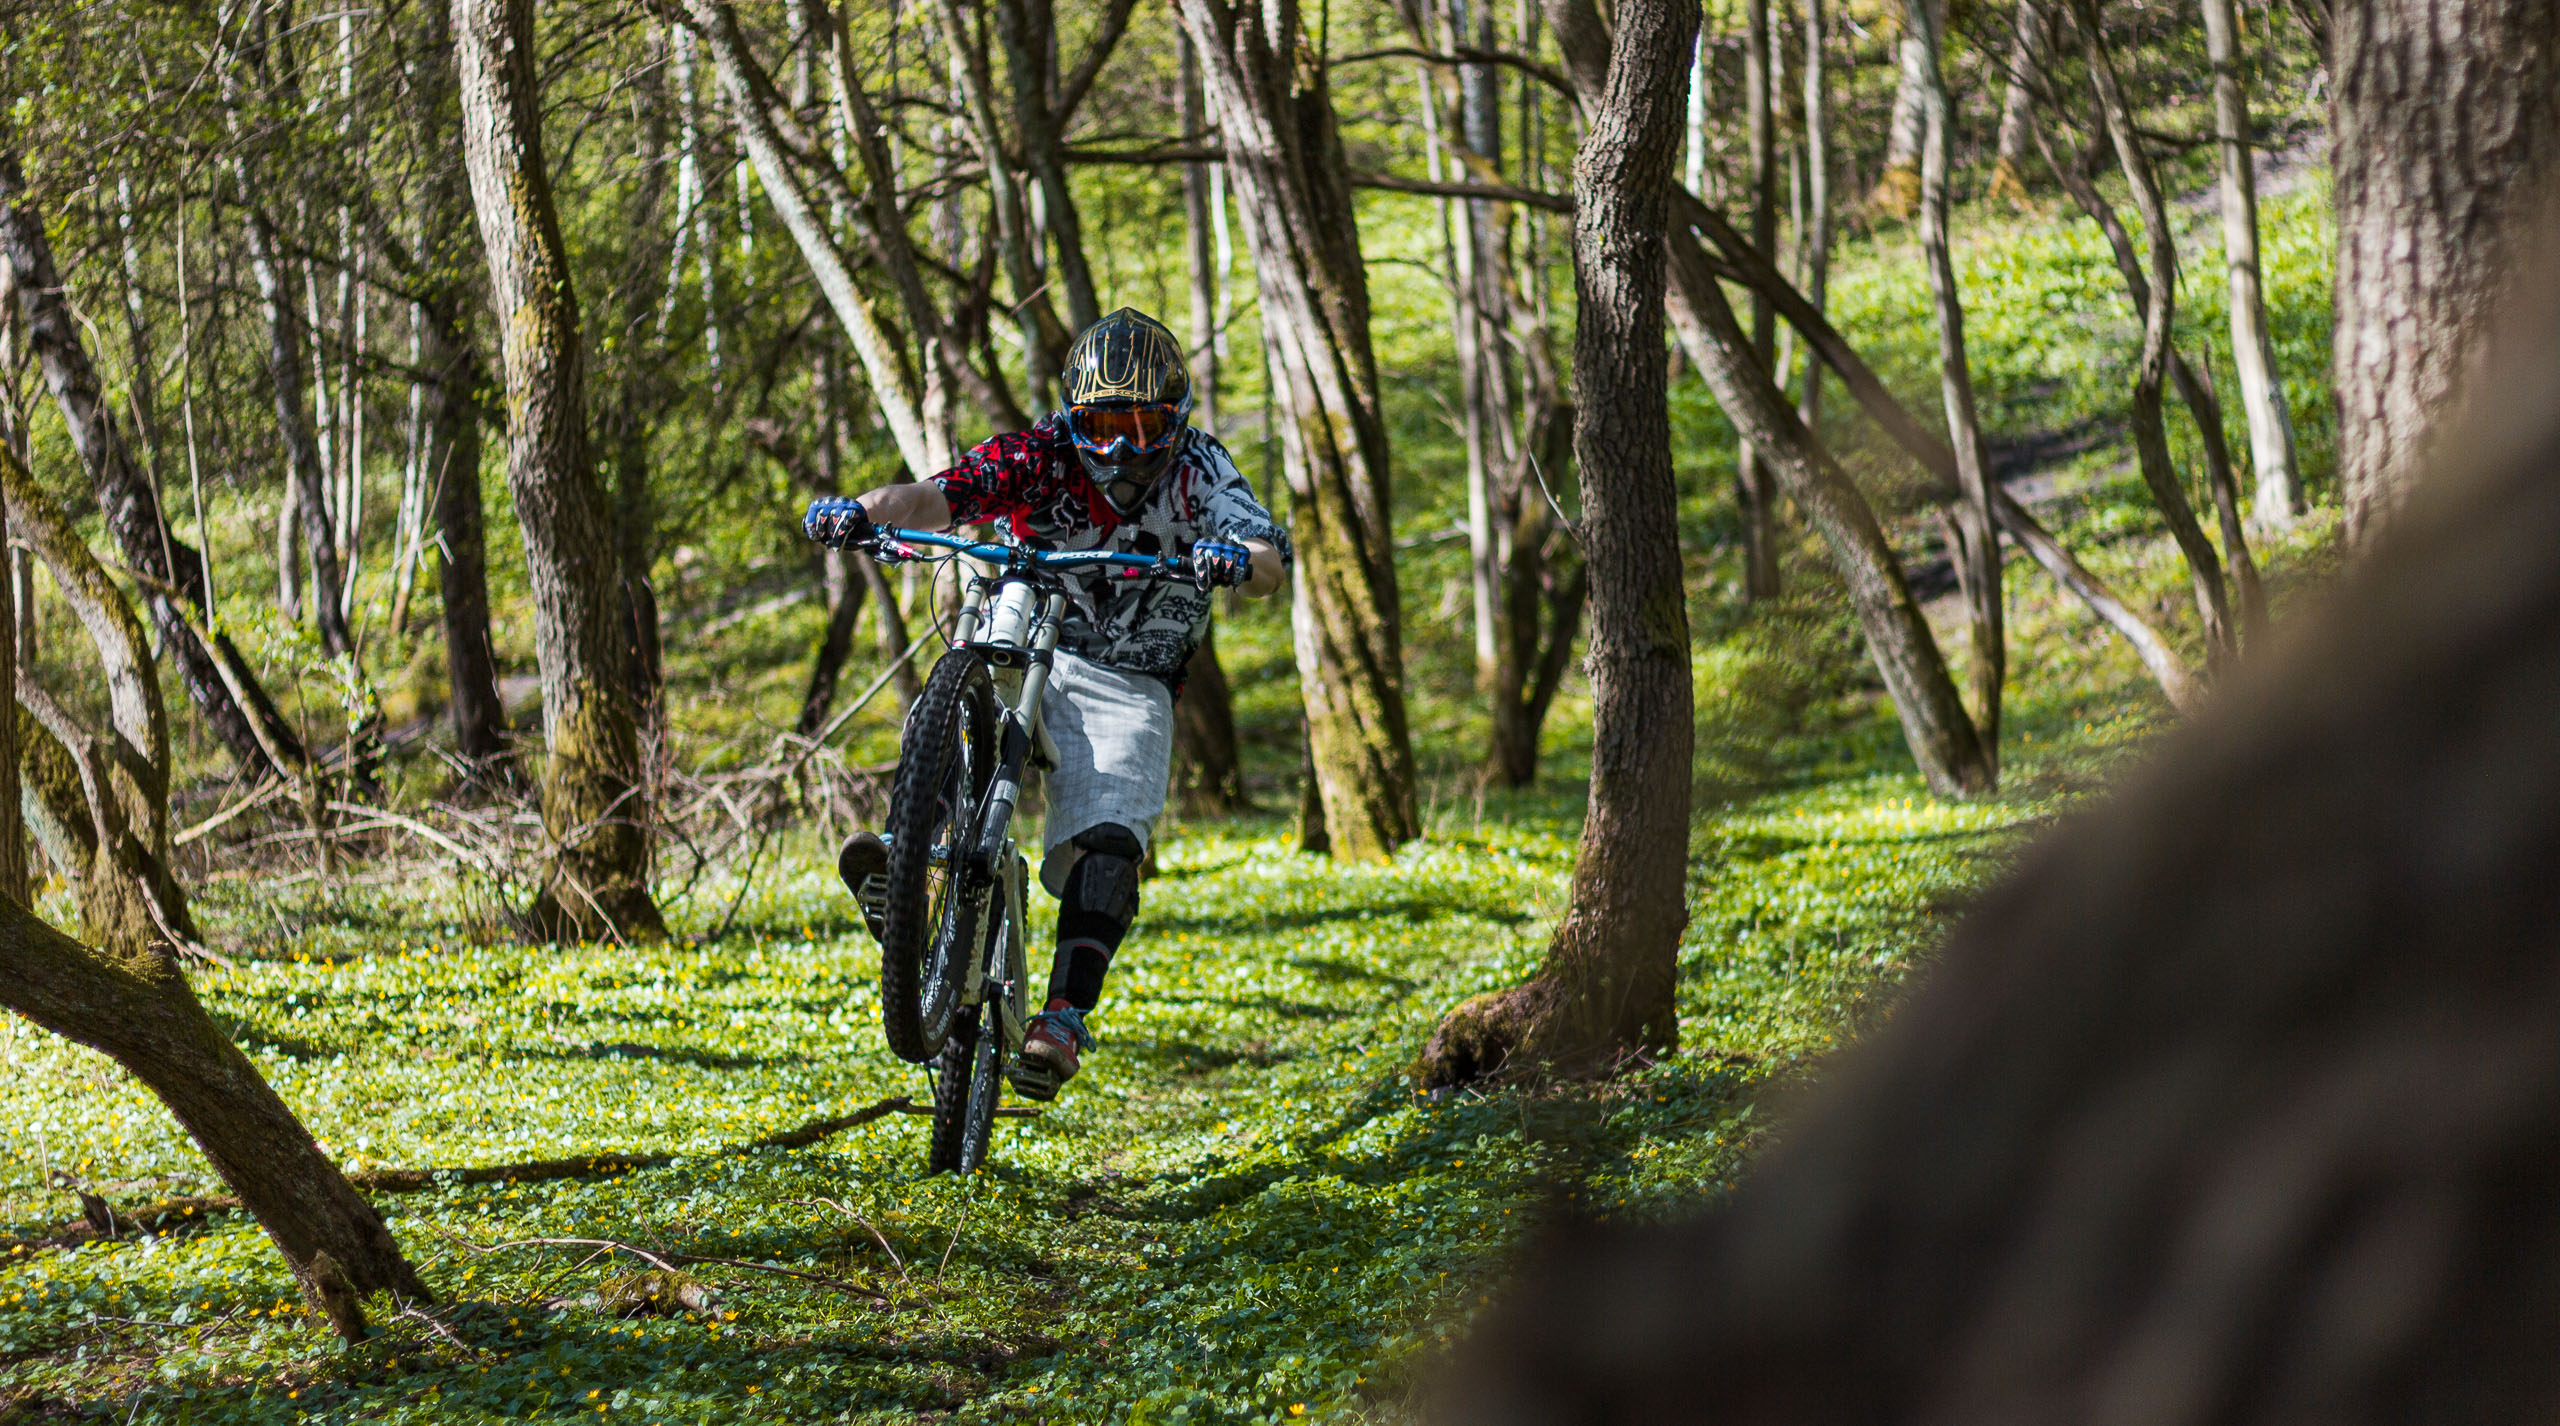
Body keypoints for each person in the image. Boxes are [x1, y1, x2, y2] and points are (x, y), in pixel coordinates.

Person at [805, 308, 1291, 1100]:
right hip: (1028, 629)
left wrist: (1239, 558)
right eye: (1104, 424)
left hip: (1129, 673)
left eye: (1144, 424)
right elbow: (934, 498)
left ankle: (1062, 1017)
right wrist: (859, 510)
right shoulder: (1039, 452)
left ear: (1176, 418)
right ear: (1074, 416)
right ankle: (912, 864)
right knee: (969, 657)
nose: (1124, 447)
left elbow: (1268, 555)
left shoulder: (1201, 469)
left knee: (1110, 837)